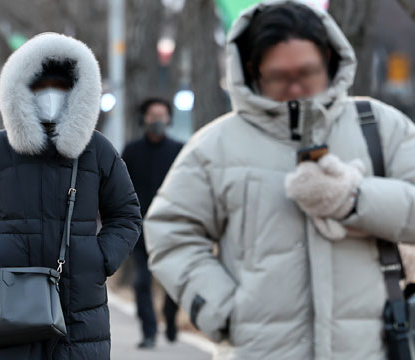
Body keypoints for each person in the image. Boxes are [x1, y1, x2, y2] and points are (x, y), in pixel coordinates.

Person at [144, 1, 415, 359]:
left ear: (330, 60)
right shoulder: (216, 146)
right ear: (253, 71)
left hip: (372, 348)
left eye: (307, 72)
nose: (295, 88)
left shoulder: (380, 126)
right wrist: (221, 310)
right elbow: (170, 232)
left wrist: (354, 198)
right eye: (279, 77)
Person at [0, 33, 142, 360]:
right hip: (12, 301)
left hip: (81, 308)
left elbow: (126, 215)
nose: (50, 94)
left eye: (62, 86)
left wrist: (100, 258)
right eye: (40, 86)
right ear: (20, 89)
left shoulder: (97, 150)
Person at [121, 98, 182, 348]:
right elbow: (121, 189)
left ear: (168, 119)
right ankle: (149, 331)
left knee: (174, 282)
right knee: (141, 281)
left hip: (172, 229)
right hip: (140, 230)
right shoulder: (132, 151)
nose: (156, 120)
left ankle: (170, 316)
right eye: (152, 115)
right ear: (144, 118)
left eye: (162, 115)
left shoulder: (179, 150)